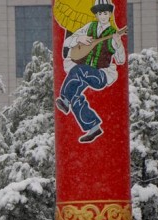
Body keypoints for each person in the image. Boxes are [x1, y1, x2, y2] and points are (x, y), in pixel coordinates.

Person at [55, 0, 126, 143]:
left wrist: (118, 43)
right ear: (96, 15)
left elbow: (121, 60)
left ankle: (64, 99)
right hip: (85, 72)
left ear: (109, 14)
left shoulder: (113, 33)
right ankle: (93, 126)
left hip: (101, 75)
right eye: (100, 13)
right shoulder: (89, 27)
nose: (103, 16)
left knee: (78, 70)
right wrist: (78, 38)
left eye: (106, 13)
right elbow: (67, 42)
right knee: (75, 94)